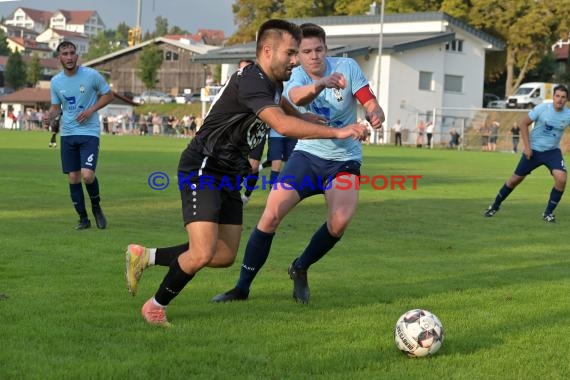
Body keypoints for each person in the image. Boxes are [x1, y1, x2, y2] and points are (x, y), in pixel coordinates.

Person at [124, 19, 368, 326]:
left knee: (223, 255)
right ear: (268, 51)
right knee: (201, 252)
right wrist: (339, 132)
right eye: (291, 53)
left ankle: (145, 256)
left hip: (231, 172)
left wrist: (302, 114)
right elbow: (280, 125)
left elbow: (280, 103)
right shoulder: (252, 78)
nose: (296, 60)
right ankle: (155, 306)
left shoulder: (272, 80)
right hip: (205, 167)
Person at [211, 22, 384, 304]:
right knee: (271, 214)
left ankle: (300, 266)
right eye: (306, 51)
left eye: (319, 49)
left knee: (339, 222)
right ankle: (241, 288)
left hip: (344, 160)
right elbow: (295, 98)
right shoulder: (292, 75)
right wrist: (320, 84)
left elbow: (368, 100)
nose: (314, 56)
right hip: (307, 156)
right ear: (298, 55)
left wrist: (375, 113)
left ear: (326, 50)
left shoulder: (348, 67)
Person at [43, 40, 113, 230]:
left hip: (89, 132)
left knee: (87, 175)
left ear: (77, 56)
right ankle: (83, 219)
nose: (69, 57)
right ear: (59, 57)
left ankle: (96, 208)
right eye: (65, 54)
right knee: (73, 178)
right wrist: (49, 115)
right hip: (68, 134)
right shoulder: (56, 82)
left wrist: (91, 110)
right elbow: (57, 107)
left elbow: (108, 95)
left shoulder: (91, 75)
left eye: (72, 53)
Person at [484, 84, 570, 223]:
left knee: (562, 179)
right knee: (514, 180)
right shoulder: (542, 109)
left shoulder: (568, 115)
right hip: (533, 150)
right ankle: (495, 206)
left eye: (563, 97)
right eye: (557, 96)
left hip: (552, 152)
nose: (560, 99)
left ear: (566, 100)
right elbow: (523, 124)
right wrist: (527, 147)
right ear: (553, 97)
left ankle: (548, 213)